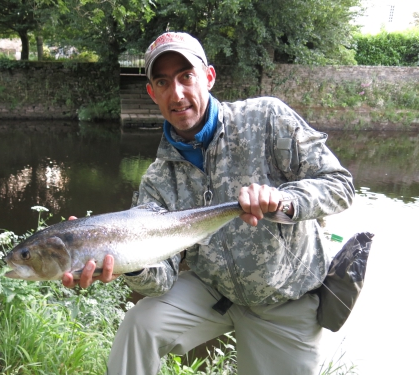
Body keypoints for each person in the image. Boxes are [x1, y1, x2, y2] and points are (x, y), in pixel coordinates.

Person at [62, 32, 355, 374]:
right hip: (211, 291)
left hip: (283, 300)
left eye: (186, 76)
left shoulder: (267, 119)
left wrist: (287, 201)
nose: (177, 93)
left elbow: (340, 185)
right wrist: (128, 262)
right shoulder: (158, 180)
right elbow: (162, 278)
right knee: (139, 325)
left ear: (209, 77)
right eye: (163, 81)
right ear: (152, 93)